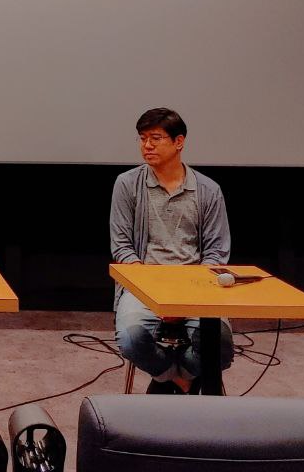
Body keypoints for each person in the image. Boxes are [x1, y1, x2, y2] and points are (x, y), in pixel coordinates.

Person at [110, 107, 234, 393]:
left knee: (222, 345)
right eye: (142, 138)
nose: (147, 146)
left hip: (197, 288)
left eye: (155, 138)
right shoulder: (127, 185)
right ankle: (175, 378)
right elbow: (122, 247)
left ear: (179, 142)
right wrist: (159, 298)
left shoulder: (207, 190)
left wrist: (184, 300)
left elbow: (216, 252)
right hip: (143, 288)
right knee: (131, 338)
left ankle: (180, 374)